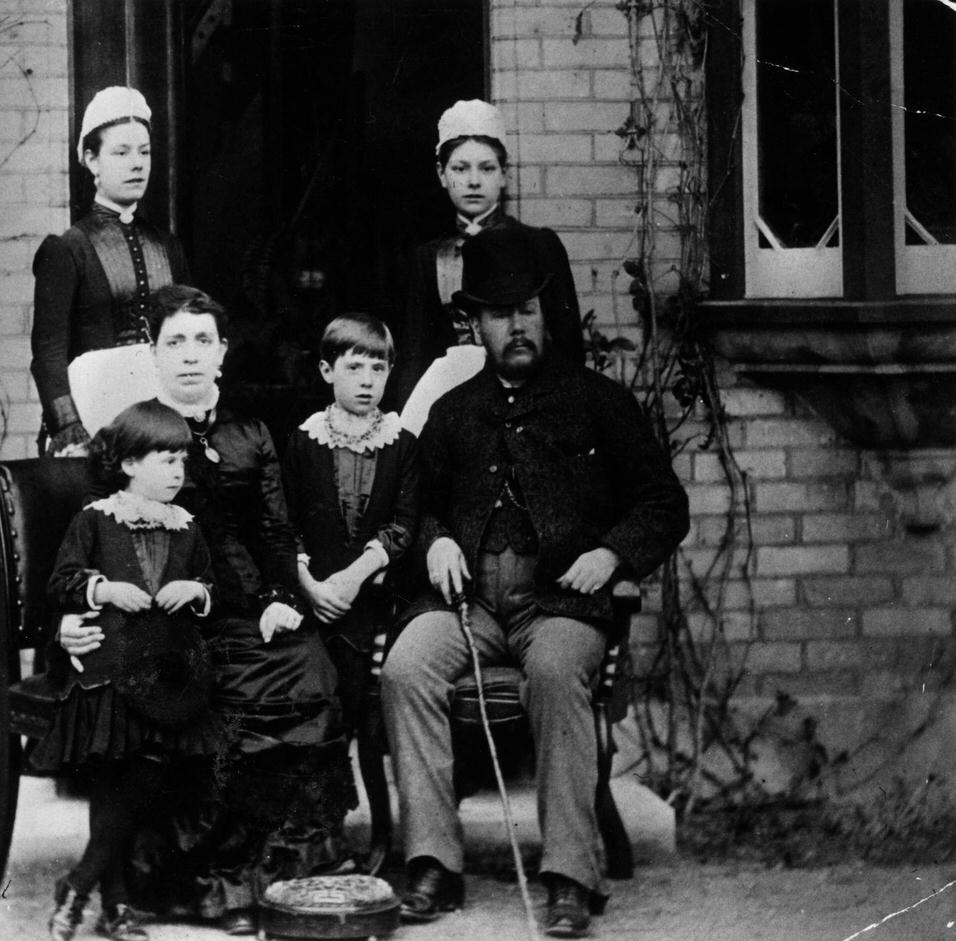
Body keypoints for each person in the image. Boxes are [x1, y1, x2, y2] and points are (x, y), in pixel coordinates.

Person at [381, 227, 689, 938]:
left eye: (526, 310)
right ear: (475, 325)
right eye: (498, 314)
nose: (515, 326)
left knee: (553, 673)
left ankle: (567, 876)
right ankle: (432, 861)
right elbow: (417, 504)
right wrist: (438, 541)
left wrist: (611, 555)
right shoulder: (454, 412)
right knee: (404, 666)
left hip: (560, 604)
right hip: (469, 603)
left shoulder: (598, 402)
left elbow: (662, 503)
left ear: (546, 313)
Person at [60, 285, 351, 936]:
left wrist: (279, 597)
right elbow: (101, 532)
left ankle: (264, 874)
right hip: (167, 621)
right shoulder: (135, 432)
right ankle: (207, 881)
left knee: (311, 672)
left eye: (202, 340)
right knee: (217, 696)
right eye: (174, 342)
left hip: (245, 608)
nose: (189, 355)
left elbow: (276, 530)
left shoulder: (250, 432)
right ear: (155, 355)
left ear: (221, 351)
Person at [33, 400, 220, 941]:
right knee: (120, 771)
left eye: (182, 461)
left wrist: (198, 591)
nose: (177, 472)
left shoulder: (187, 528)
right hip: (108, 671)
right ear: (130, 463)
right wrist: (103, 587)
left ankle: (81, 884)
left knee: (137, 773)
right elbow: (60, 583)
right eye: (165, 460)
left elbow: (216, 587)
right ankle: (111, 903)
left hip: (166, 679)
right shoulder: (95, 521)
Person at [392, 98, 583, 413]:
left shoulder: (539, 245)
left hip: (532, 396)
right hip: (454, 400)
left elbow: (568, 344)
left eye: (487, 168)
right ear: (442, 174)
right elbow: (416, 353)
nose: (473, 181)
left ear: (504, 174)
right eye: (460, 168)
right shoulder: (429, 258)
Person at [31, 86, 189, 456]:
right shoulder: (68, 249)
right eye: (121, 152)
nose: (138, 163)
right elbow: (48, 354)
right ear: (92, 160)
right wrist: (70, 430)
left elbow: (190, 334)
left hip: (160, 424)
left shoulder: (167, 246)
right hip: (93, 424)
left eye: (145, 152)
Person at [281, 313, 418, 740]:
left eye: (378, 368)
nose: (367, 380)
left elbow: (404, 523)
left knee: (361, 691)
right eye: (353, 367)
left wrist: (356, 576)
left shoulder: (401, 443)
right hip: (313, 594)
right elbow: (285, 522)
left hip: (374, 597)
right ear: (327, 371)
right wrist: (309, 585)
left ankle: (367, 772)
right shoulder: (304, 441)